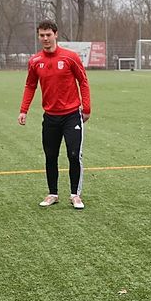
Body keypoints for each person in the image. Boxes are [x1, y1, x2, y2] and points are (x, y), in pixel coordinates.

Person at [18, 20, 92, 209]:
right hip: (50, 117)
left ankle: (75, 194)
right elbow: (30, 85)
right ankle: (53, 193)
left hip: (72, 115)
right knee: (50, 156)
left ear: (56, 34)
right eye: (41, 35)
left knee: (74, 154)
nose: (45, 39)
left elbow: (83, 81)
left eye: (48, 35)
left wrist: (87, 107)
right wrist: (23, 110)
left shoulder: (70, 57)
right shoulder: (35, 61)